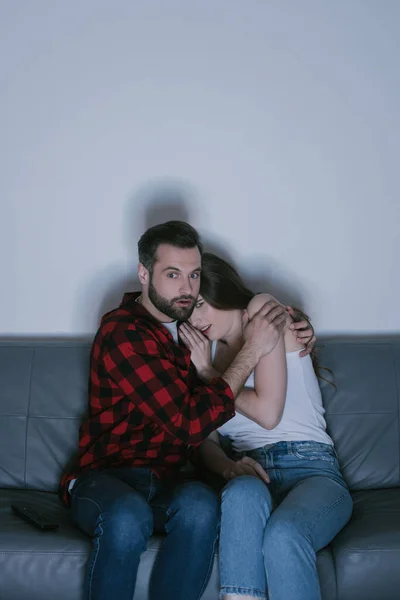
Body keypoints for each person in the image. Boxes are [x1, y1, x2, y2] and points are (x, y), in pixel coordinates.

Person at [59, 222, 314, 600]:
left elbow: (208, 423)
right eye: (172, 274)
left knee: (200, 505)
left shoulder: (190, 337)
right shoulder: (124, 332)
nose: (186, 288)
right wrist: (252, 350)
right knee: (128, 515)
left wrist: (299, 328)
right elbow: (189, 423)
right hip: (105, 479)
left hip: (162, 483)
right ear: (144, 274)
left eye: (193, 275)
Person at [180, 252, 353, 600]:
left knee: (284, 534)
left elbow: (268, 413)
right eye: (188, 311)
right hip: (250, 469)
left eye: (200, 304)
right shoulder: (203, 350)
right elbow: (204, 441)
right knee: (241, 493)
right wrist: (228, 468)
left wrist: (210, 377)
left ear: (219, 288)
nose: (196, 319)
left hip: (311, 469)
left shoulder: (260, 310)